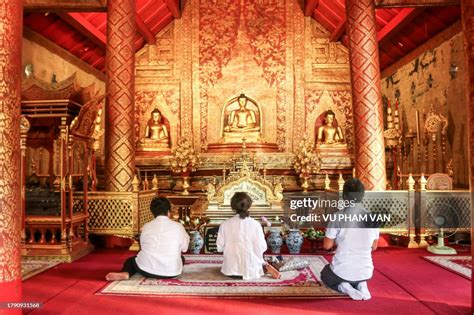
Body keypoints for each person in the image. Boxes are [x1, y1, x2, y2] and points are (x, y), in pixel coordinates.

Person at [321, 178, 379, 300]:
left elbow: (327, 246)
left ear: (344, 196)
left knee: (325, 274)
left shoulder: (338, 216)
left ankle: (344, 287)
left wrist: (339, 242)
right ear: (362, 195)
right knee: (357, 272)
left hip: (343, 270)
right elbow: (374, 247)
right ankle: (362, 284)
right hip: (366, 271)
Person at [105, 197, 189, 281]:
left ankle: (126, 273)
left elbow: (143, 246)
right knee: (181, 258)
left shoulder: (146, 226)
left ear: (153, 212)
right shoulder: (178, 226)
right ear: (168, 212)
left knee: (130, 261)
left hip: (146, 269)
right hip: (172, 272)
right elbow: (184, 249)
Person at [216, 192, 277, 280]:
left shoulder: (225, 224)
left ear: (233, 206)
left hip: (230, 270)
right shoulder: (256, 224)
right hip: (252, 270)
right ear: (249, 205)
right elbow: (262, 247)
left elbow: (220, 247)